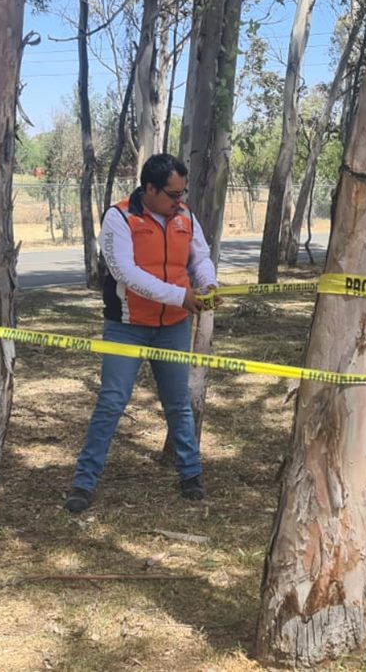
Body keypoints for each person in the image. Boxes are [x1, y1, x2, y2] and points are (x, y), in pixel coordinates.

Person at [65, 153, 218, 513]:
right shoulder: (119, 218)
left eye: (182, 194)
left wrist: (207, 283)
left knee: (178, 402)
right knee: (112, 402)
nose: (179, 202)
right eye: (172, 194)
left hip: (174, 326)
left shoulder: (185, 216)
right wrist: (182, 295)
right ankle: (84, 483)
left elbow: (200, 257)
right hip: (127, 327)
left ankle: (190, 475)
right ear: (148, 188)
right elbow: (127, 274)